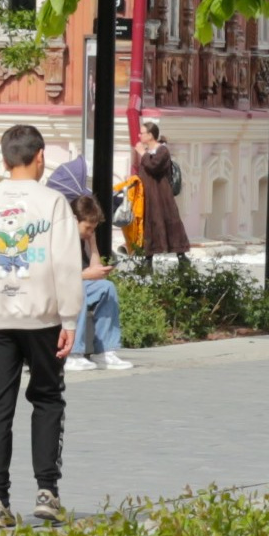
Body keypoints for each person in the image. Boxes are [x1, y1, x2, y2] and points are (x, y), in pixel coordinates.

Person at [0, 123, 85, 530]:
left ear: (4, 158)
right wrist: (69, 317)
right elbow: (66, 263)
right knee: (47, 399)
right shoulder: (52, 203)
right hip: (43, 315)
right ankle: (47, 491)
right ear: (41, 156)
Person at [66, 194, 130, 372]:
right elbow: (56, 274)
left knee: (106, 288)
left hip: (79, 282)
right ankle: (73, 353)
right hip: (60, 288)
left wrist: (92, 242)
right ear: (74, 220)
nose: (89, 232)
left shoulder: (83, 239)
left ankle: (105, 351)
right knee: (78, 289)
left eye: (93, 229)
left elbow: (94, 272)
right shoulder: (60, 239)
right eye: (87, 228)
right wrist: (84, 276)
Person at [132, 119, 191, 256]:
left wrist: (143, 153)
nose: (139, 136)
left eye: (142, 133)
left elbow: (153, 167)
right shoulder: (149, 151)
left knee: (169, 222)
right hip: (148, 195)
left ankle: (181, 259)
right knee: (149, 225)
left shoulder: (162, 150)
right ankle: (148, 261)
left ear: (150, 135)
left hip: (161, 196)